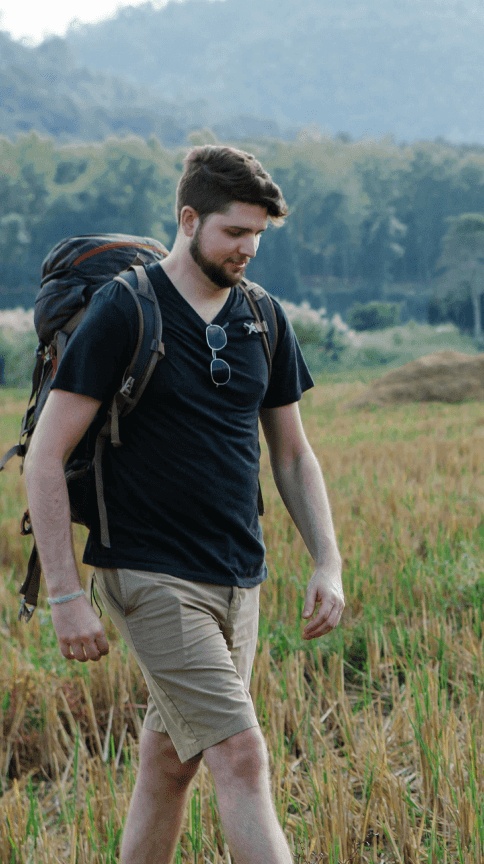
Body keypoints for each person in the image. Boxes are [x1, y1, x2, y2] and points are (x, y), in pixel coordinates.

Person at [25, 145, 343, 864]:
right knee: (241, 754)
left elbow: (293, 455)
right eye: (235, 232)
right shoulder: (126, 309)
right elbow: (45, 456)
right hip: (150, 573)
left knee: (173, 758)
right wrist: (65, 595)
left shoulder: (263, 315)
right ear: (189, 219)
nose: (248, 249)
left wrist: (328, 561)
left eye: (258, 234)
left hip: (239, 576)